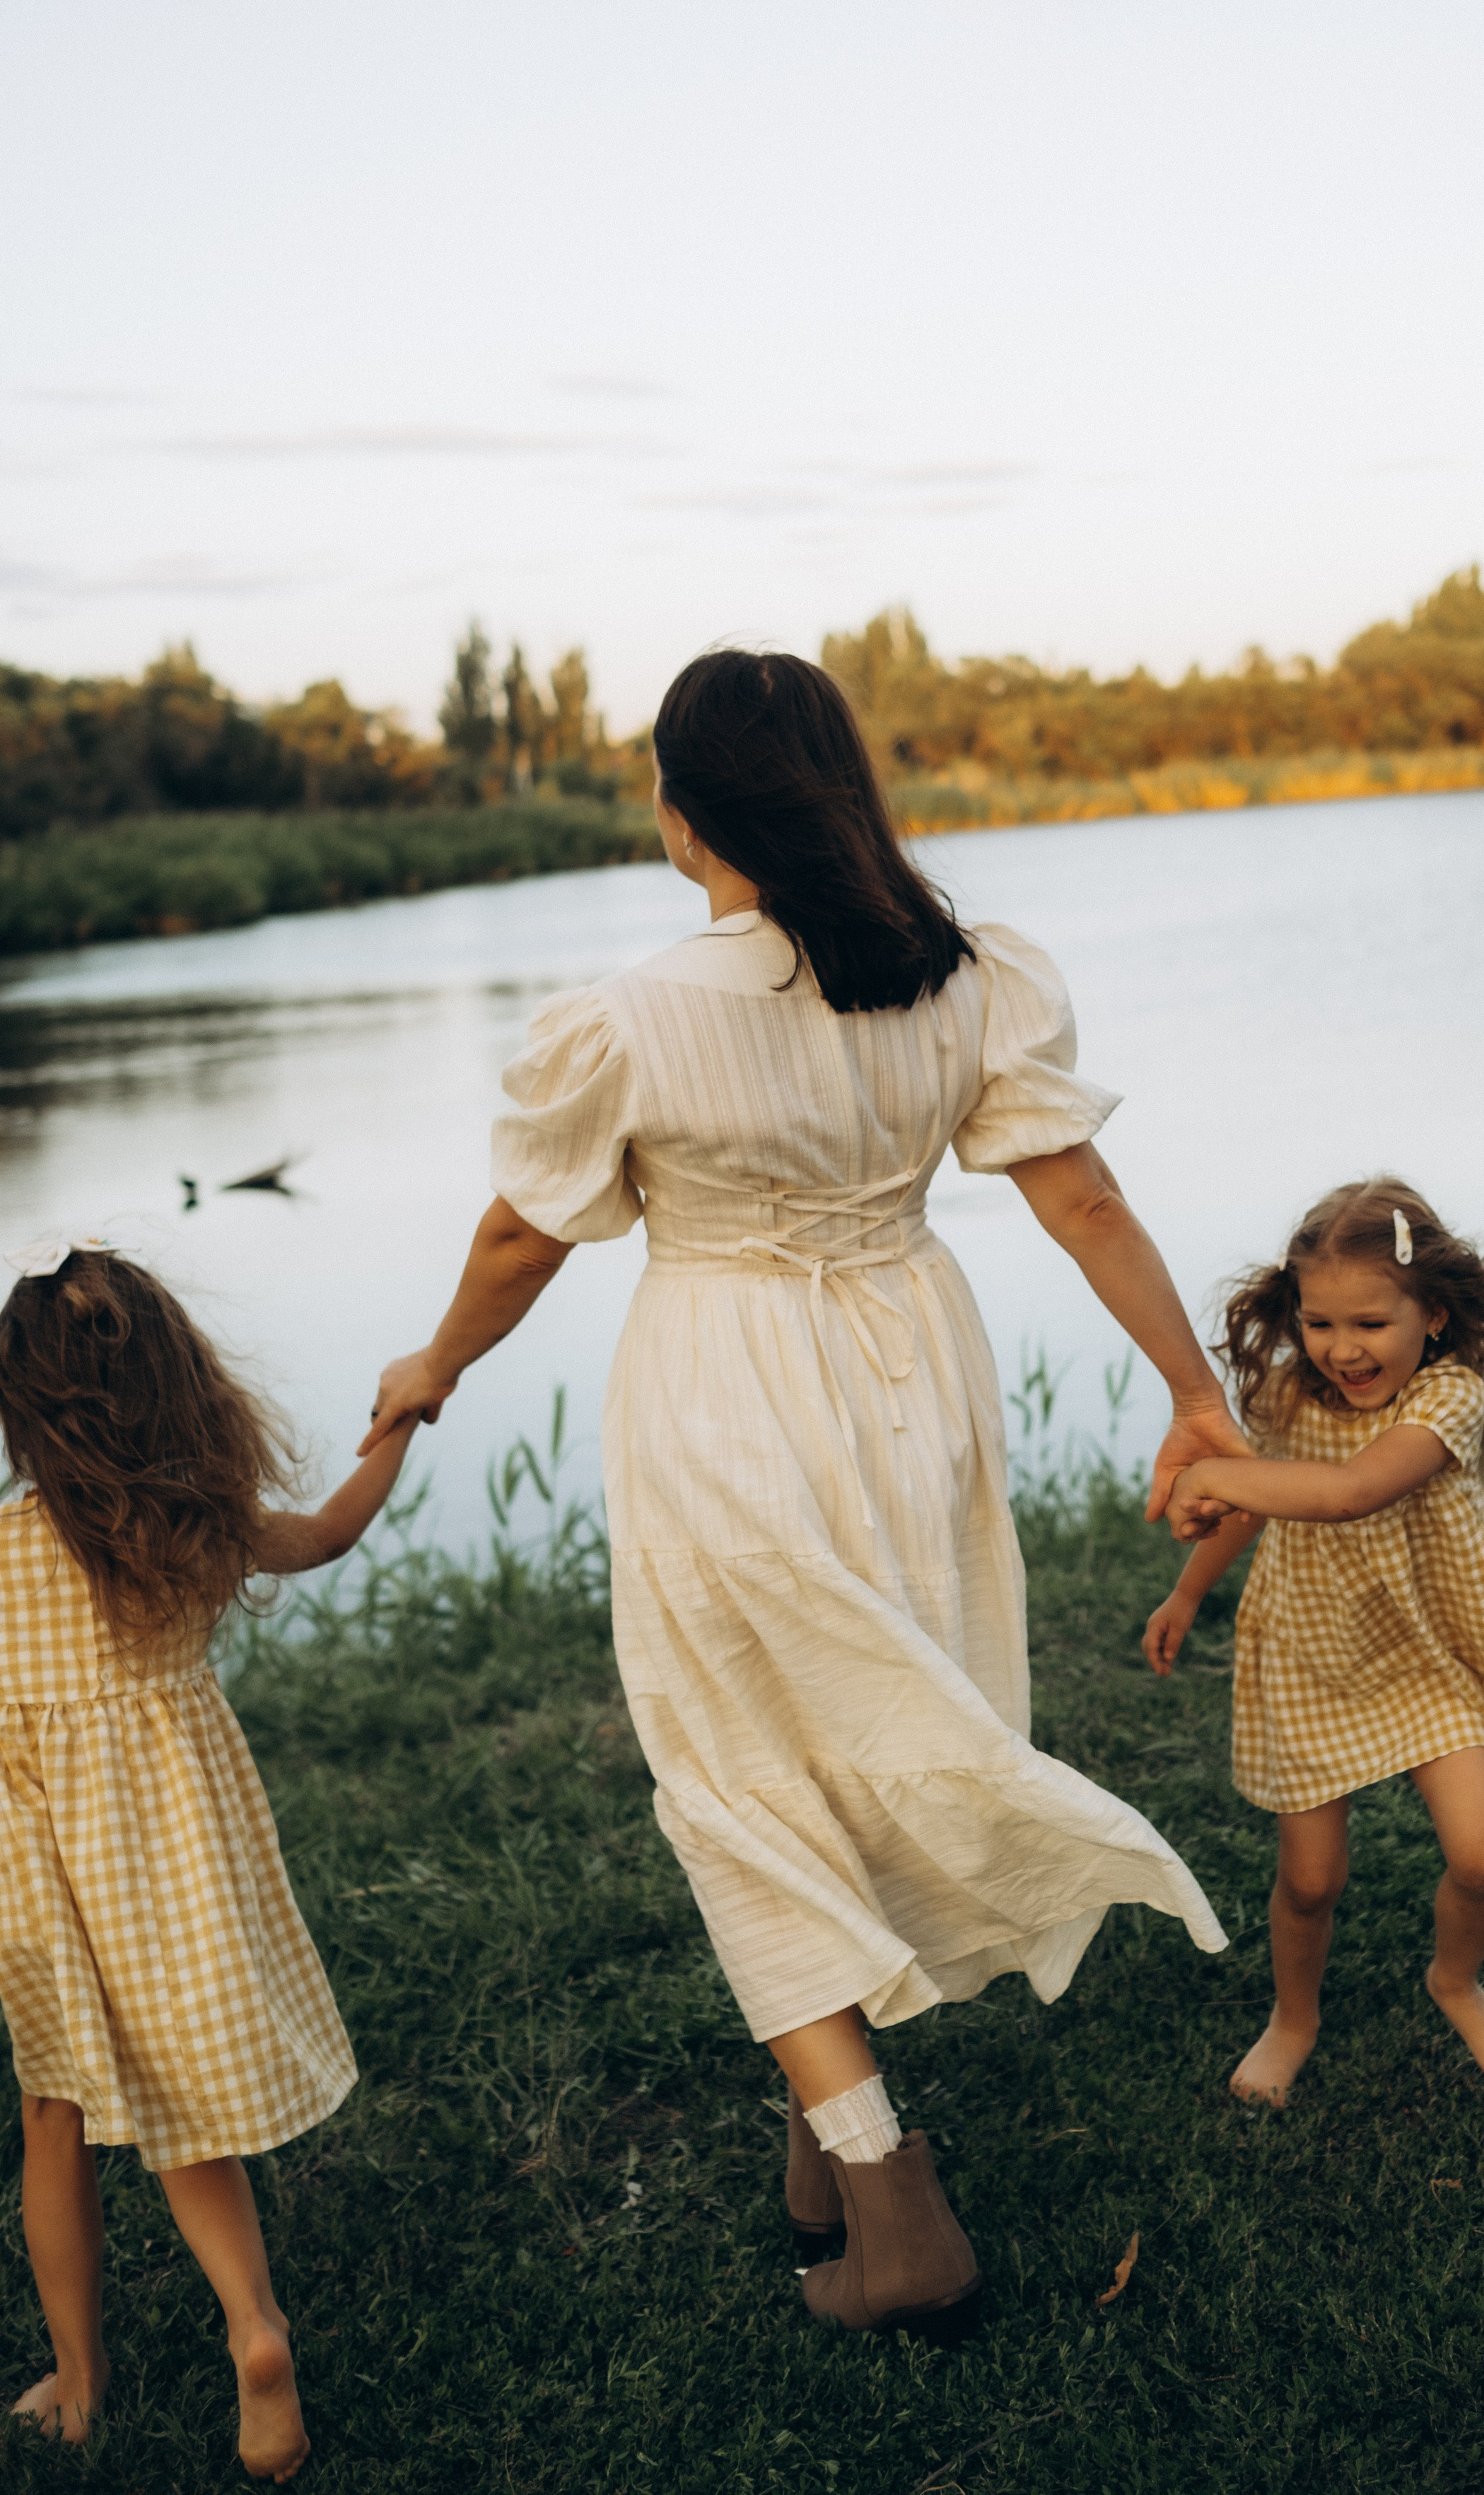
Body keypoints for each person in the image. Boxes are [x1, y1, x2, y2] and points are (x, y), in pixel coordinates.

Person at [363, 649, 1246, 2339]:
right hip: (912, 1378)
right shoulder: (961, 970)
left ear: (679, 809)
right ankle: (814, 2143)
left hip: (727, 1389)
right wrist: (1190, 1389)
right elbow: (1077, 1198)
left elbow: (513, 1233)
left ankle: (891, 2199)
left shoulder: (629, 1016)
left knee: (732, 1778)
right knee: (837, 1733)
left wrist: (435, 1366)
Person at [0, 1239, 417, 2478]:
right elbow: (334, 1531)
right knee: (189, 2118)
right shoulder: (196, 1531)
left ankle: (78, 2379)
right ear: (179, 1386)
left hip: (38, 1882)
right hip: (172, 1871)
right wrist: (398, 1419)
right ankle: (254, 2323)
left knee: (52, 2113)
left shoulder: (6, 1556)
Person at [1143, 1178, 1484, 2108]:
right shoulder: (1286, 1394)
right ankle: (1294, 2017)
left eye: (1369, 1324)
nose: (1342, 1350)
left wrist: (1214, 1471)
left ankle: (1456, 1980)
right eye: (1320, 1323)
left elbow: (1351, 1489)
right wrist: (1190, 1589)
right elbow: (1255, 1502)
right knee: (1310, 1881)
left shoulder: (1448, 1396)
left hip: (1425, 1651)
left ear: (1431, 1315)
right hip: (1310, 1656)